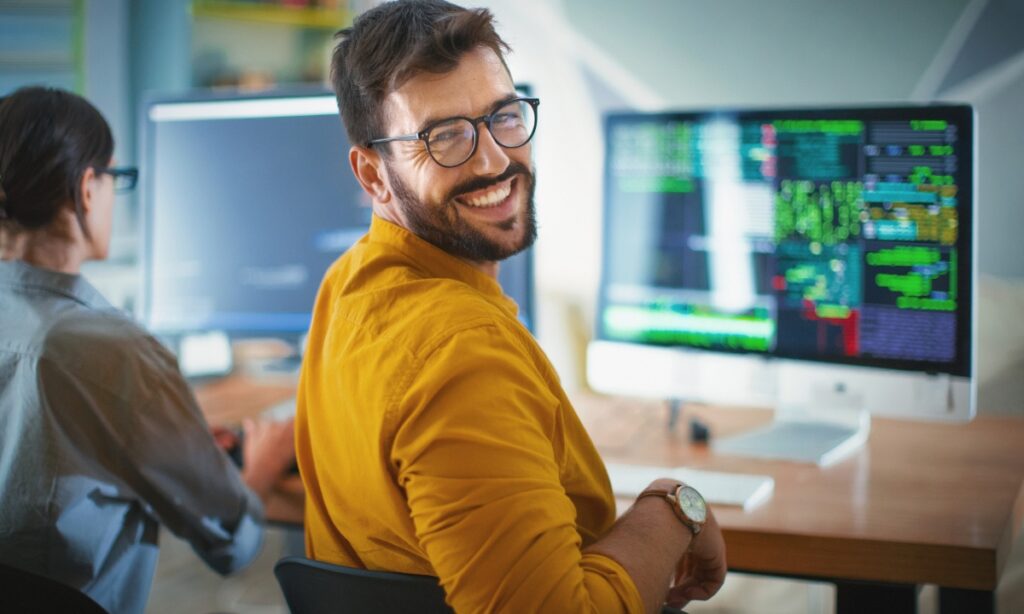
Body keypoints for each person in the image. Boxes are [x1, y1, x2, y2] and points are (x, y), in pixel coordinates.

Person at [295, 1, 727, 612]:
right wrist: (672, 507)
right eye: (443, 137)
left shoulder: (347, 285)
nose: (494, 159)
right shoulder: (462, 350)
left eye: (504, 116)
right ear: (373, 175)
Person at [0, 86, 296, 614]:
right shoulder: (114, 351)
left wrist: (173, 439)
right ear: (86, 189)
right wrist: (261, 464)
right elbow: (231, 542)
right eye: (117, 179)